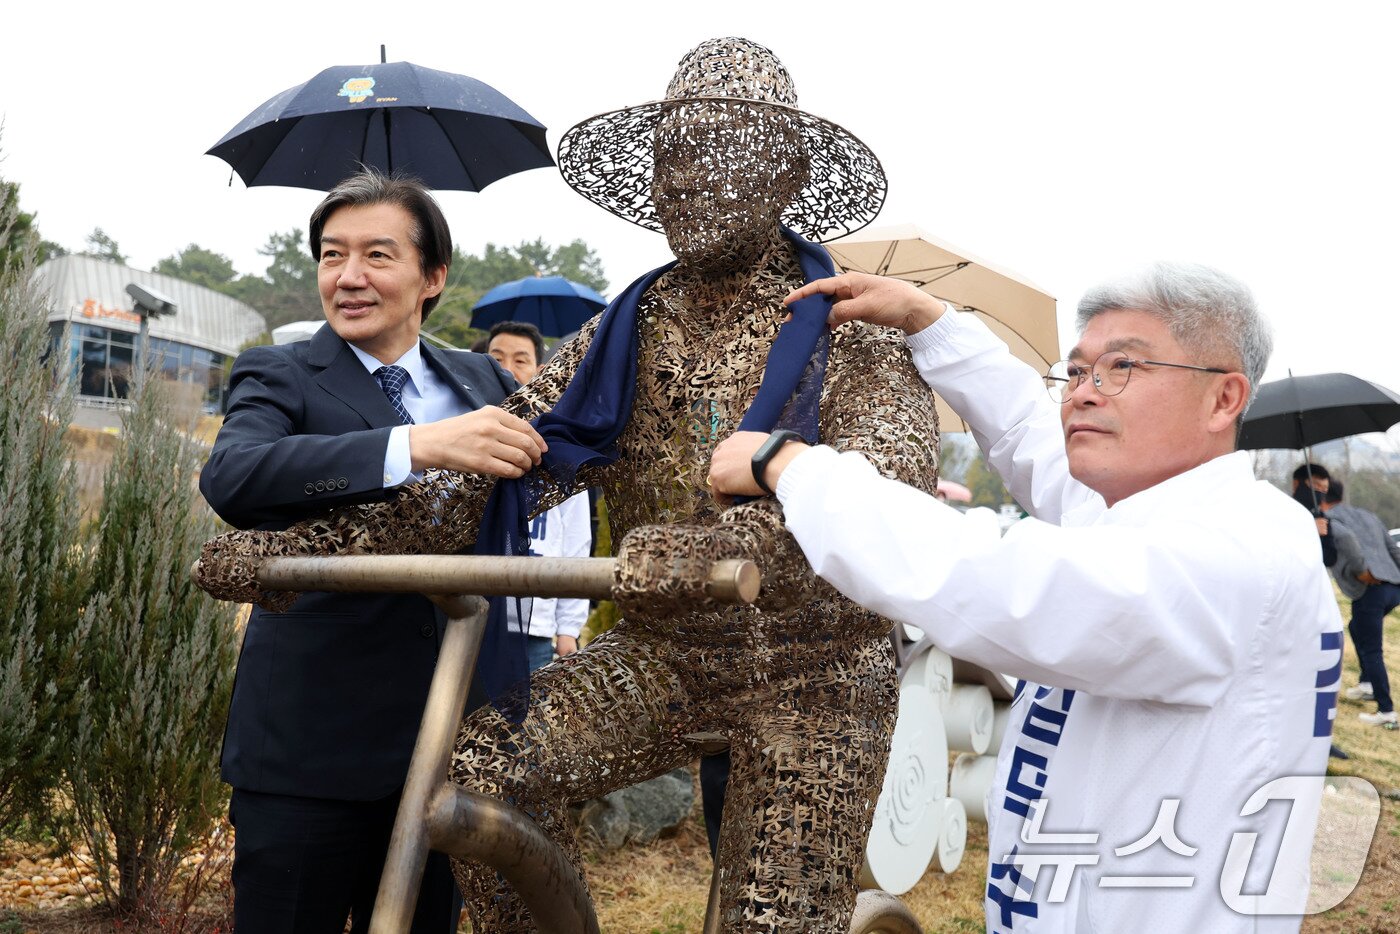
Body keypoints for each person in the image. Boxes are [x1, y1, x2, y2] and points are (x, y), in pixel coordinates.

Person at [195, 37, 933, 933]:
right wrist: (299, 553)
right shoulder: (627, 329)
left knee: (772, 916)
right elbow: (486, 478)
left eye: (716, 155)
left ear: (785, 174)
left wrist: (736, 542)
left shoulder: (851, 324)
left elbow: (891, 483)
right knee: (485, 773)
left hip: (813, 672)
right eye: (672, 159)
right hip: (667, 653)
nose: (689, 182)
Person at [711, 263, 1342, 932]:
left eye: (1122, 367)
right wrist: (932, 322)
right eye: (1077, 372)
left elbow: (999, 585)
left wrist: (792, 467)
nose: (1082, 395)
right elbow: (1026, 432)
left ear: (1223, 399)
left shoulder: (1241, 552)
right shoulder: (1140, 510)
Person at [198, 169, 545, 934]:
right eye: (332, 254)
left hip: (449, 749)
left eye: (377, 255)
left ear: (433, 277)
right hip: (307, 757)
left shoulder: (484, 379)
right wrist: (413, 445)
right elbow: (234, 476)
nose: (348, 276)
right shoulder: (280, 373)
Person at [486, 320, 591, 670]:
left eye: (520, 360)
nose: (507, 369)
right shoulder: (464, 435)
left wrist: (568, 628)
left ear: (540, 371)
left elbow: (576, 543)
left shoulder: (559, 447)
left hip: (533, 625)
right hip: (474, 616)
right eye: (496, 359)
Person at [1323, 481, 1400, 726]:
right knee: (1357, 627)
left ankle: (1386, 711)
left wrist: (1362, 572)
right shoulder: (1367, 515)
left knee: (1372, 649)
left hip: (1370, 588)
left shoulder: (1329, 520)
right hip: (1393, 586)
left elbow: (1347, 541)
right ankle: (1367, 684)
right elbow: (1393, 548)